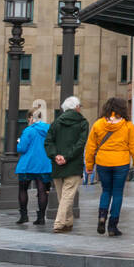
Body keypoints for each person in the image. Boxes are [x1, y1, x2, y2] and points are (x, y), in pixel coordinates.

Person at [84, 96, 134, 237]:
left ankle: (101, 217)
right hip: (121, 162)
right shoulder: (128, 126)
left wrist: (89, 165)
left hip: (103, 162)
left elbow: (90, 147)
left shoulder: (98, 124)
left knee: (105, 191)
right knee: (117, 193)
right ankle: (112, 226)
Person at [45, 95, 90, 233]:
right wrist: (67, 157)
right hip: (73, 164)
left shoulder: (55, 123)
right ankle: (59, 223)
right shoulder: (83, 123)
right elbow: (81, 144)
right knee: (67, 197)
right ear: (76, 107)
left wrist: (56, 156)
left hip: (57, 165)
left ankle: (68, 222)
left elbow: (48, 142)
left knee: (62, 197)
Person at [15, 101, 52, 226]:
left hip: (28, 164)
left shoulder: (28, 130)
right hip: (44, 164)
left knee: (23, 189)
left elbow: (22, 148)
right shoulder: (49, 129)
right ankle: (41, 217)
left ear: (31, 118)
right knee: (42, 191)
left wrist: (19, 142)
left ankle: (24, 215)